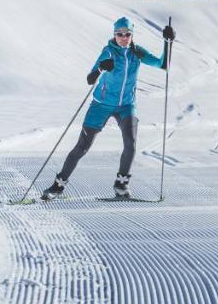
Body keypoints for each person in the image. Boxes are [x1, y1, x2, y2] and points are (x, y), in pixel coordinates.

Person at [42, 16, 175, 200]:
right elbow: (90, 79)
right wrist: (101, 68)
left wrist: (167, 42)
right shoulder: (108, 52)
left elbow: (163, 65)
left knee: (131, 144)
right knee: (82, 147)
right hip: (101, 105)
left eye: (127, 34)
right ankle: (58, 186)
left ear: (131, 35)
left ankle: (121, 185)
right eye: (119, 34)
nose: (123, 37)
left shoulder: (137, 52)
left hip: (126, 105)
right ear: (114, 34)